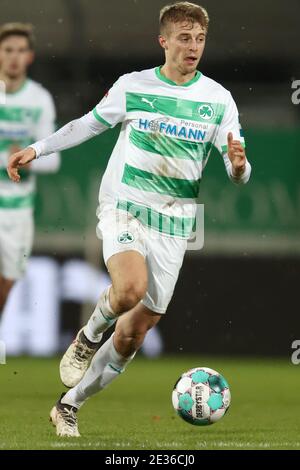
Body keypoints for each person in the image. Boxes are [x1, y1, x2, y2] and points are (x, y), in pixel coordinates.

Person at [7, 2, 251, 437]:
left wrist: (237, 165)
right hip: (126, 205)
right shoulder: (133, 86)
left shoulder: (217, 99)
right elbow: (87, 125)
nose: (193, 47)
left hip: (176, 223)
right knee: (129, 288)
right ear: (164, 41)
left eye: (199, 39)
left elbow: (239, 173)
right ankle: (87, 336)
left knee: (133, 335)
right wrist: (39, 149)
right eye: (183, 38)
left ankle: (69, 405)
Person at [0, 23, 60, 317]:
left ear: (30, 57)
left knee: (4, 287)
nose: (14, 57)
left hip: (17, 210)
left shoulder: (39, 99)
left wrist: (23, 157)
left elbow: (52, 160)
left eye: (21, 50)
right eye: (8, 49)